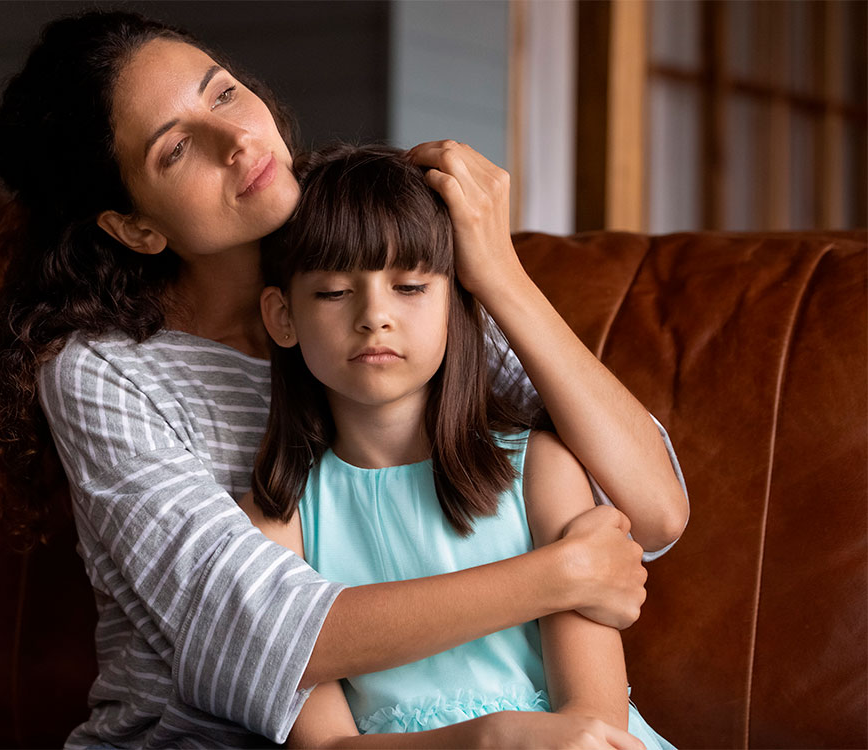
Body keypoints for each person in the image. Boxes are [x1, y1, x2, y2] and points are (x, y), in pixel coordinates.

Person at [0, 9, 688, 747]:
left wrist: (496, 275)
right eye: (177, 148)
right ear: (135, 227)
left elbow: (652, 510)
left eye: (222, 94)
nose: (238, 138)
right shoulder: (103, 374)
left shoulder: (380, 265)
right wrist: (558, 576)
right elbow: (255, 641)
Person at [243, 143, 673, 749]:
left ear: (456, 305)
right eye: (335, 292)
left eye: (411, 286)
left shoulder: (540, 469)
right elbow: (327, 746)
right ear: (281, 316)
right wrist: (487, 739)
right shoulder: (281, 512)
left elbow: (595, 719)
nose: (375, 316)